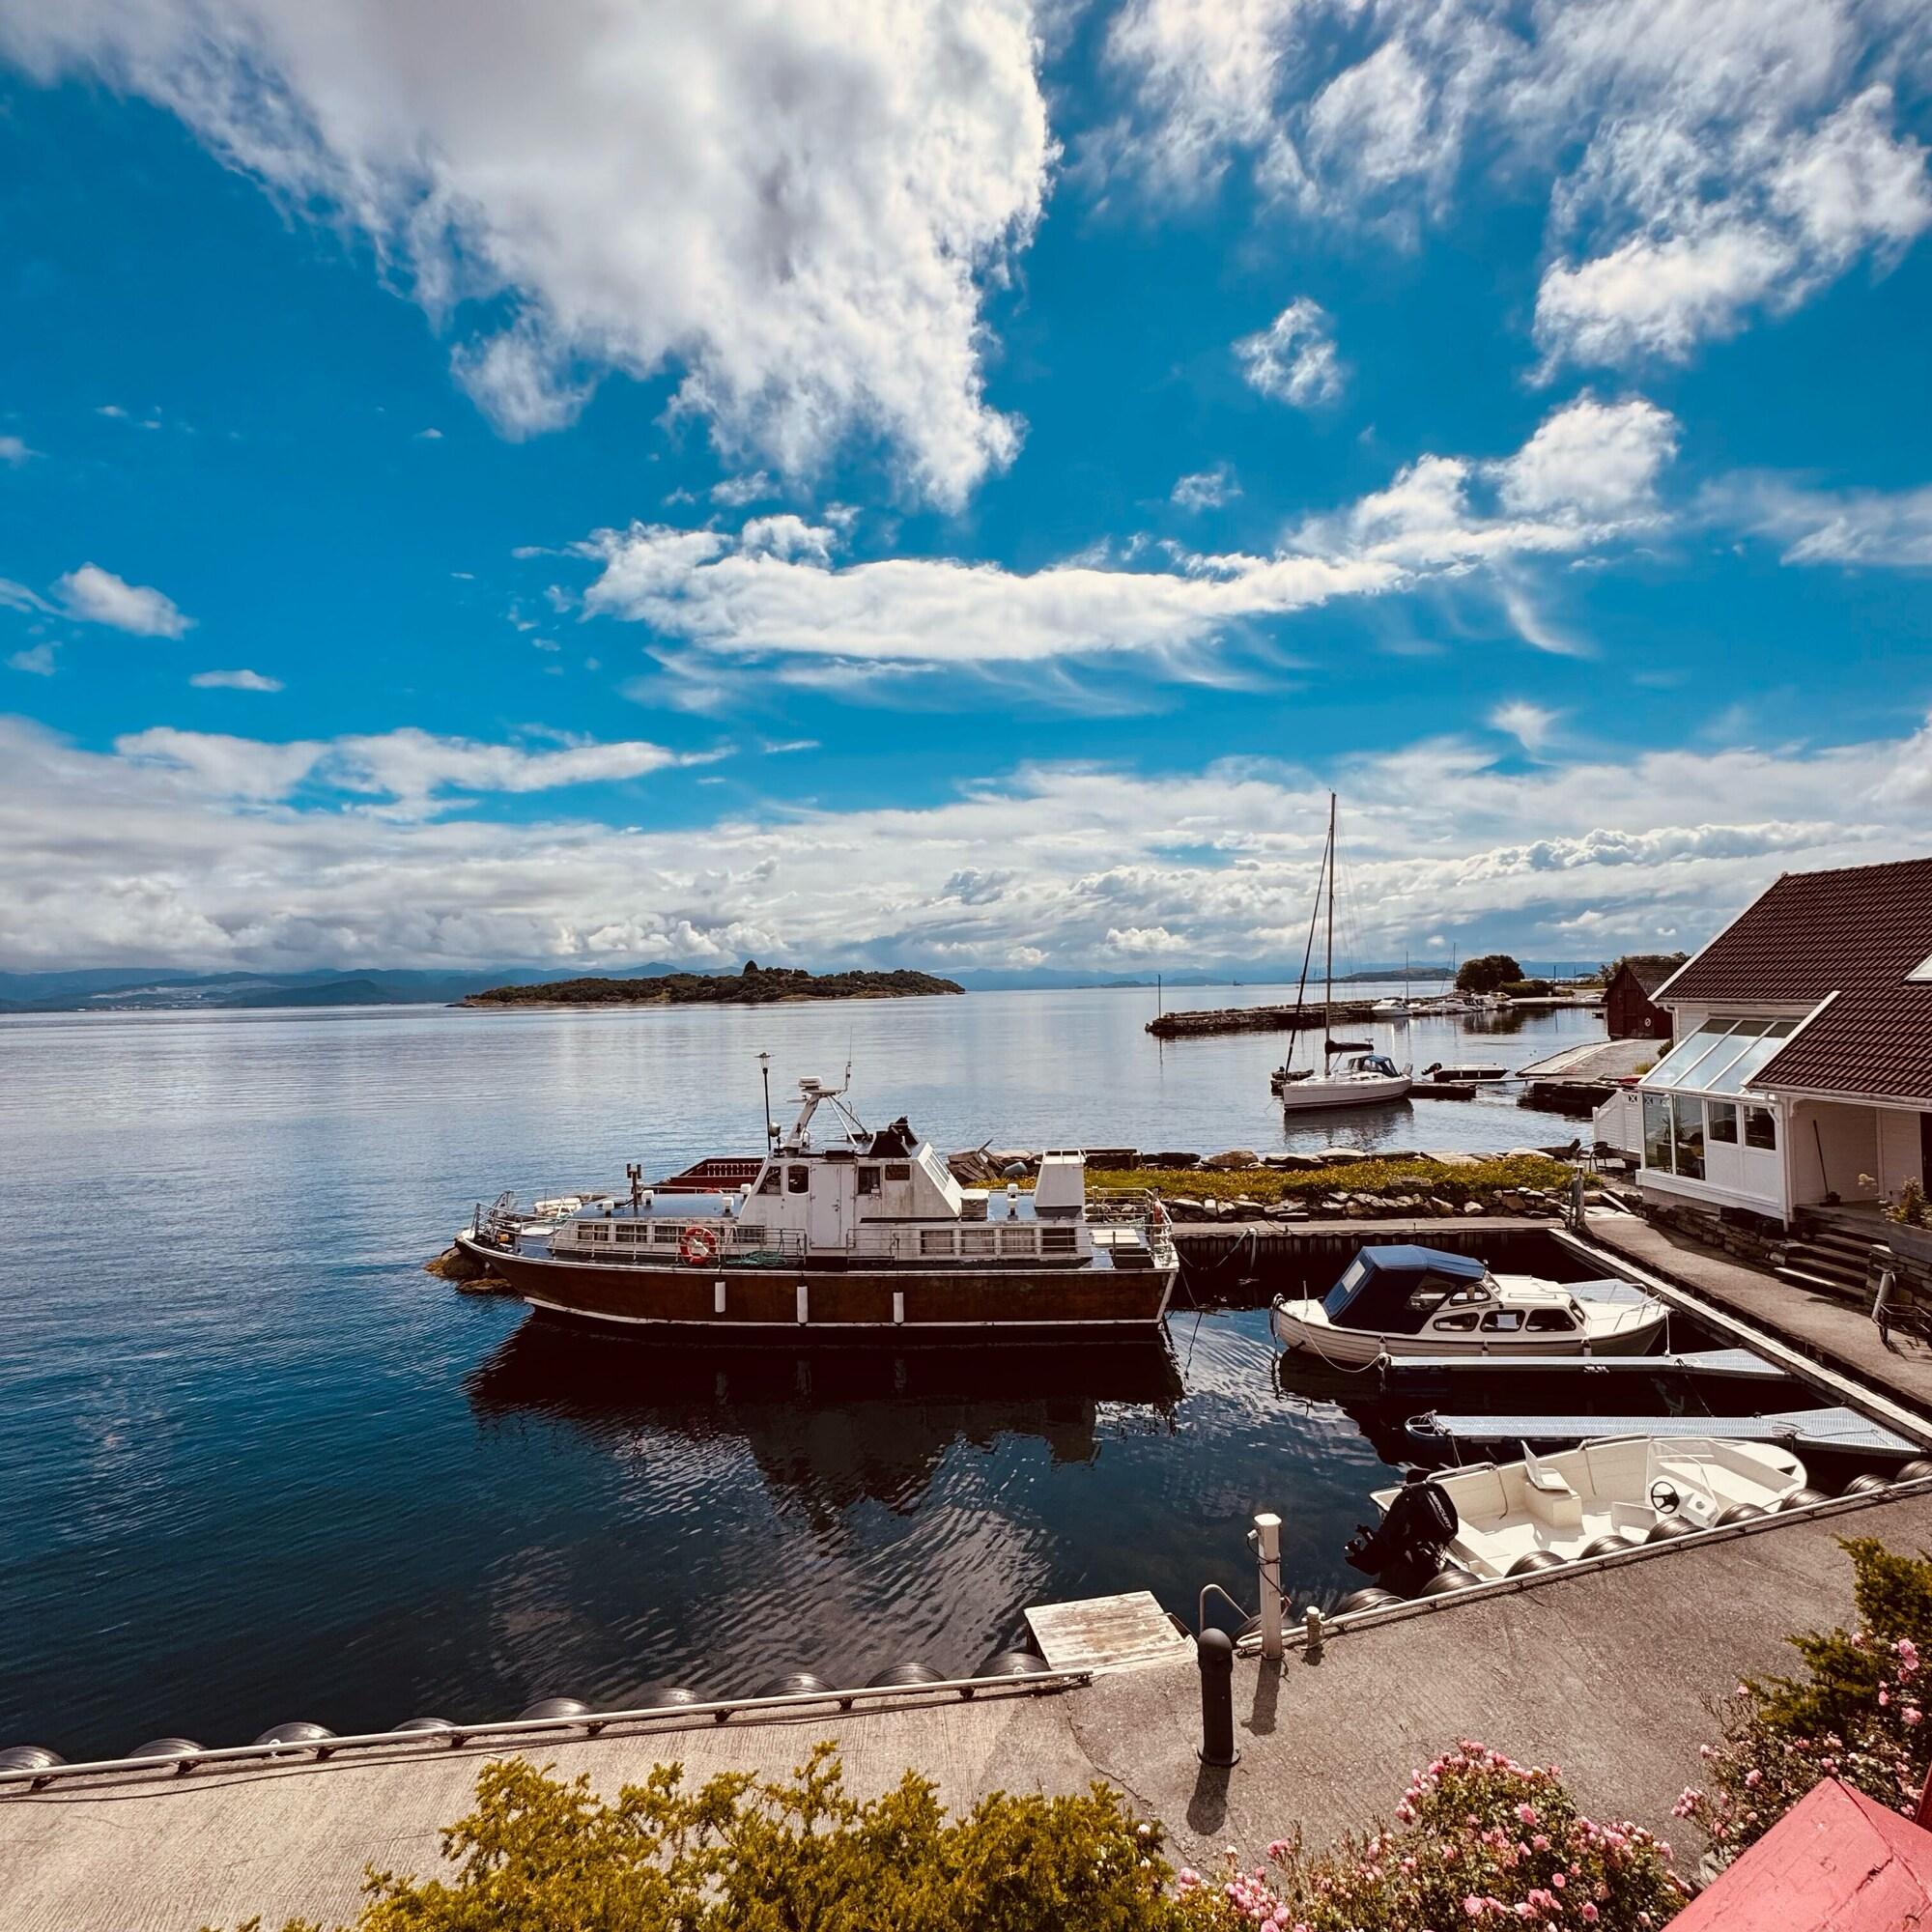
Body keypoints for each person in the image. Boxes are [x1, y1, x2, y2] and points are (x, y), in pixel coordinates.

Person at [1345, 1467, 1460, 1594]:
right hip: (1423, 1561)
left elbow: (1386, 1539)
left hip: (1408, 1571)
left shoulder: (1412, 1501)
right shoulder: (1428, 1500)